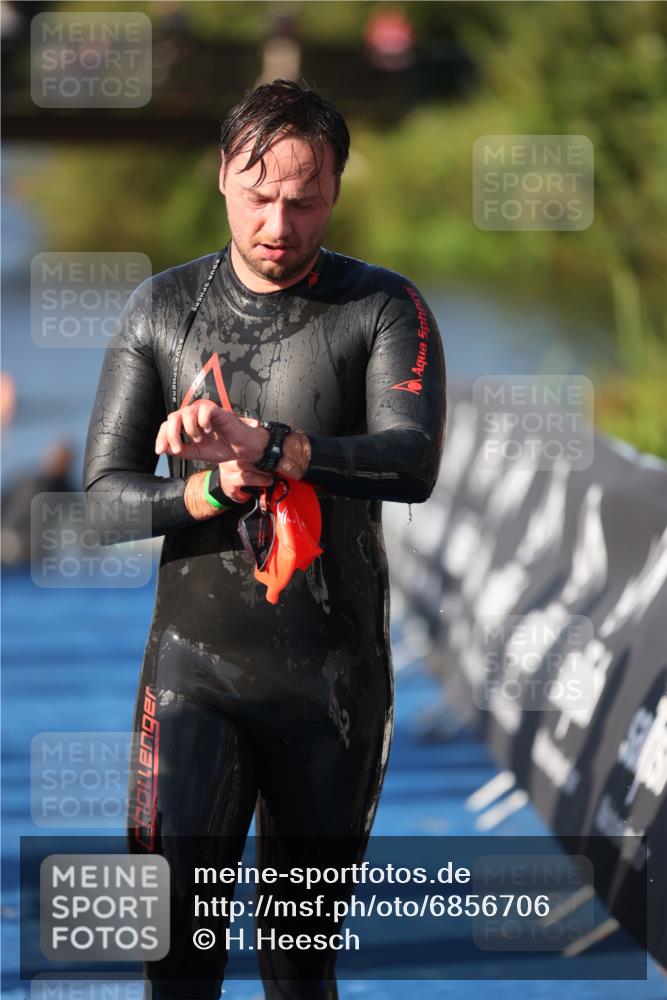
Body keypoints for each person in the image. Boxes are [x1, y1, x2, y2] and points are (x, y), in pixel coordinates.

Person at [83, 78, 446, 999]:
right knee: (175, 965)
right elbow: (100, 502)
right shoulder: (162, 310)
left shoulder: (381, 308)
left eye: (303, 197)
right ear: (220, 178)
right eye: (257, 194)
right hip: (192, 675)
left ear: (334, 190)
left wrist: (276, 447)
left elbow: (410, 463)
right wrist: (213, 486)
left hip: (331, 684)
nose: (278, 222)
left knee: (296, 972)